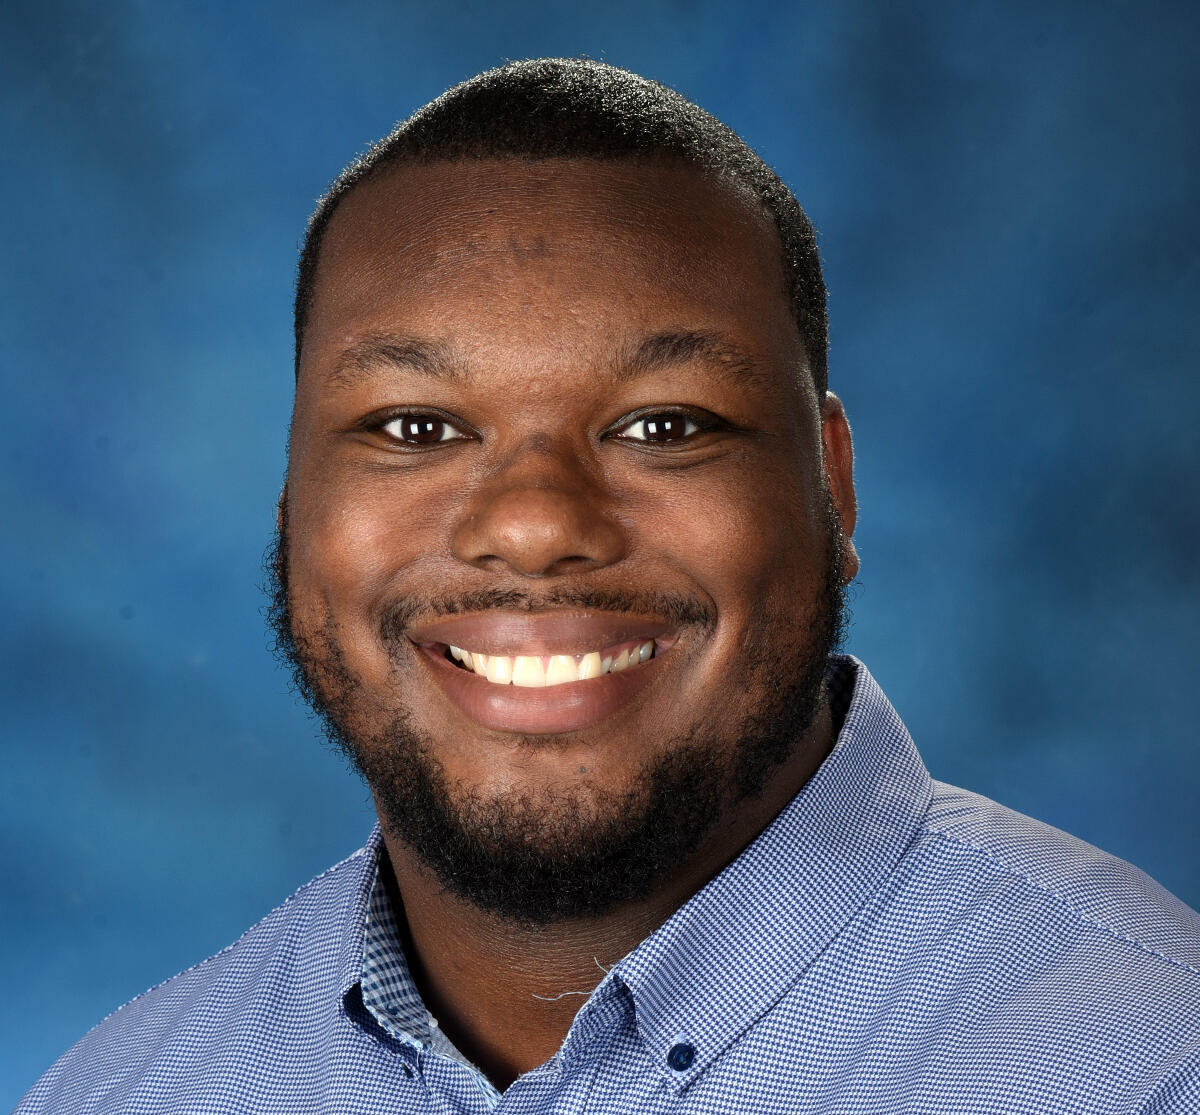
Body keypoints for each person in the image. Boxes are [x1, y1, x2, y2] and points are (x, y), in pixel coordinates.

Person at [17, 57, 1200, 1115]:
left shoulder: (1151, 1065)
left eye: (664, 424)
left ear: (831, 486)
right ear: (291, 505)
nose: (535, 526)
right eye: (416, 425)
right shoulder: (123, 1091)